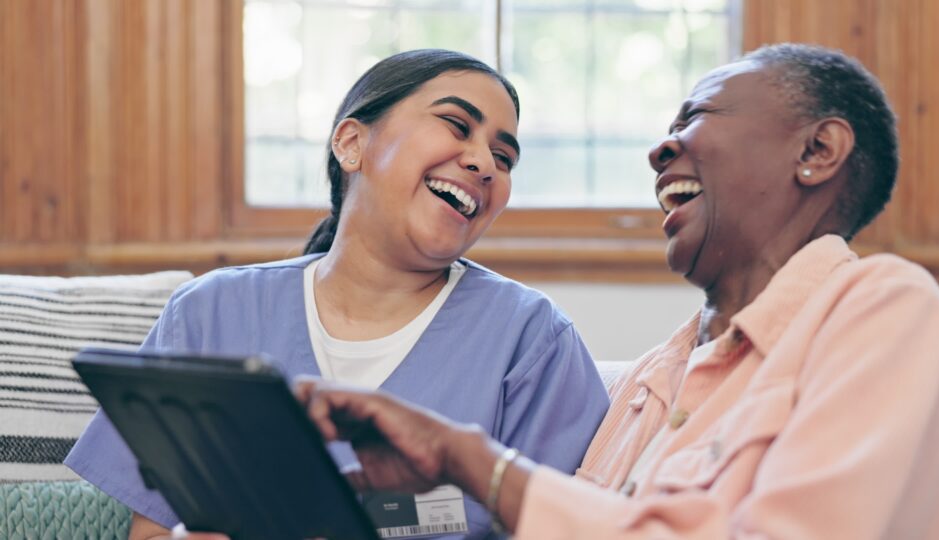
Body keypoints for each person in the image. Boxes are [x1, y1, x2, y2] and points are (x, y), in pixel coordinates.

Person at [296, 43, 939, 539]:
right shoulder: (651, 380)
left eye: (697, 119)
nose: (660, 149)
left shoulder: (883, 308)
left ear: (817, 153)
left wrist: (476, 463)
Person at [64, 49, 610, 540]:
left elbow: (577, 526)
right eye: (455, 124)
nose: (484, 163)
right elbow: (154, 532)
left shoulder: (533, 340)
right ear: (352, 143)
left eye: (505, 157)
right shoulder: (210, 313)